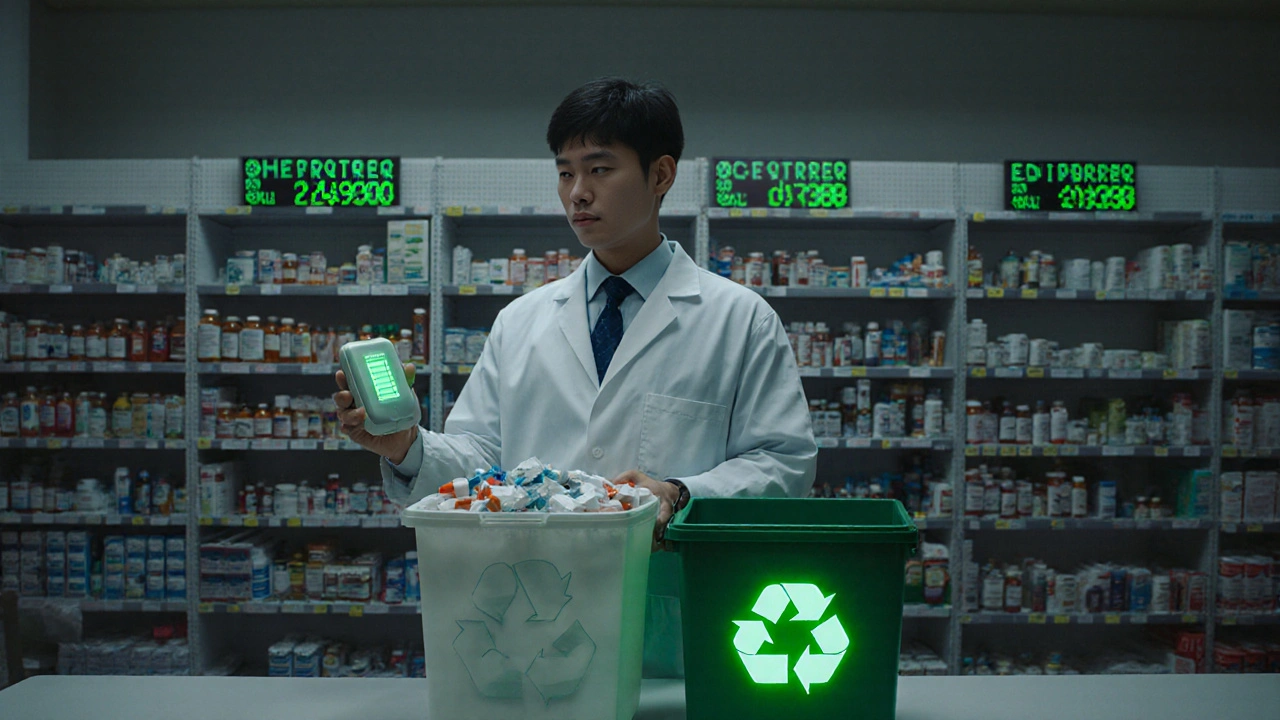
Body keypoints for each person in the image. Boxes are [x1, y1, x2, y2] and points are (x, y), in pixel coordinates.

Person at [333, 77, 816, 677]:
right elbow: (481, 462)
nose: (577, 194)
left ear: (661, 175)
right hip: (531, 625)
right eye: (565, 173)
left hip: (672, 626)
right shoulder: (522, 322)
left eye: (600, 169)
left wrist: (682, 495)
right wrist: (406, 448)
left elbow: (785, 464)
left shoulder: (739, 320)